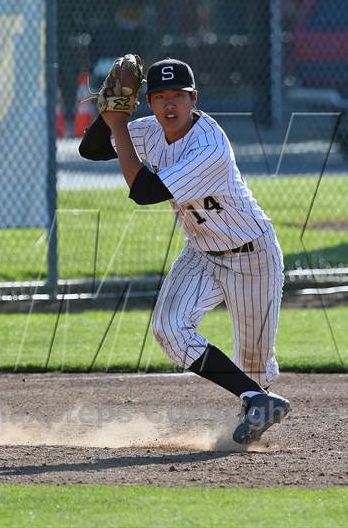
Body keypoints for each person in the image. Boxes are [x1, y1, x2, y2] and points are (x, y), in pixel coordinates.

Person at [79, 58, 290, 443]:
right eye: (159, 97)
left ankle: (256, 406)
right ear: (149, 102)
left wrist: (119, 124)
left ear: (195, 98)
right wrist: (110, 116)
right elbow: (91, 150)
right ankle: (256, 402)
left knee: (256, 369)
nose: (169, 105)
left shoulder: (208, 146)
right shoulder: (151, 132)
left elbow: (144, 192)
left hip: (252, 256)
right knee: (169, 330)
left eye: (178, 95)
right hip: (201, 253)